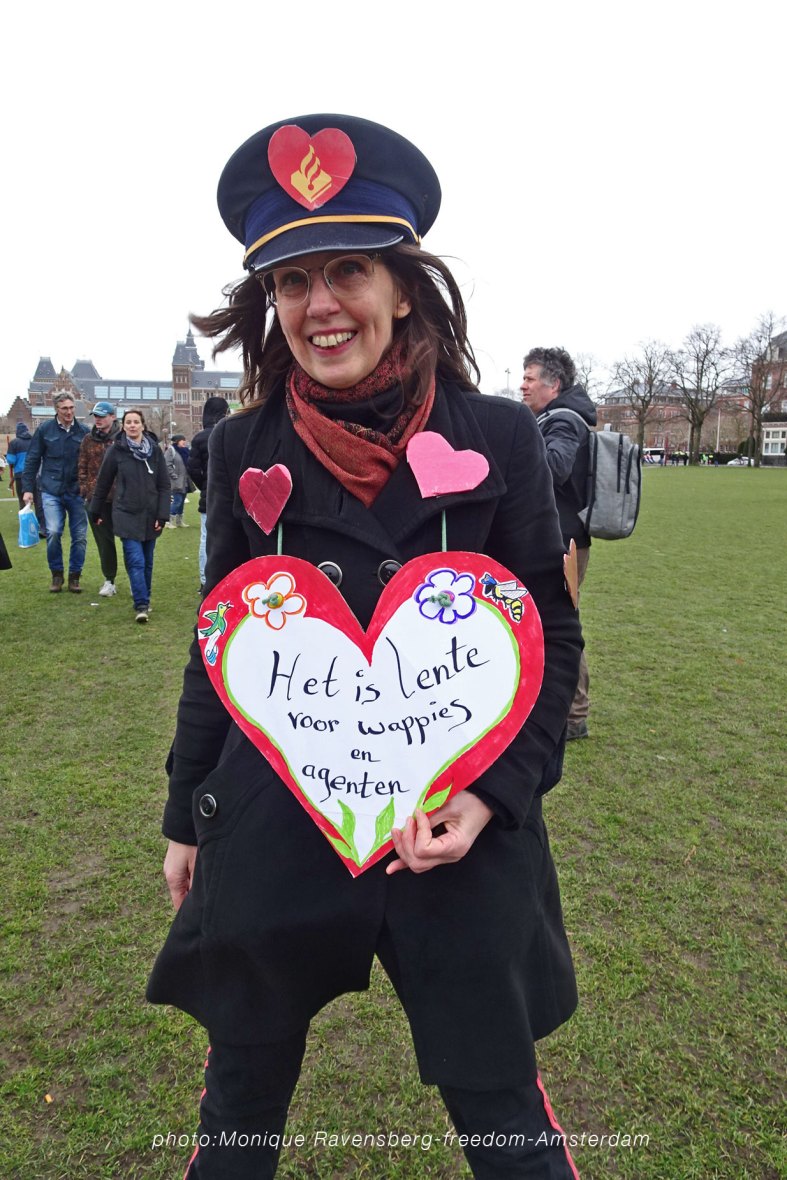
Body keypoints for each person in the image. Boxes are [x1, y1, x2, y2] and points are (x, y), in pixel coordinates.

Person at [147, 114, 583, 1180]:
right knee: (239, 1107)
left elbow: (550, 631)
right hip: (280, 821)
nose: (320, 304)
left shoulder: (498, 435)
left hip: (451, 833)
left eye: (347, 270)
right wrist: (186, 813)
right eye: (292, 281)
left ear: (401, 287)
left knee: (504, 1114)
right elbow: (218, 641)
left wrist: (493, 794)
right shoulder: (243, 447)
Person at [521, 348, 596, 741]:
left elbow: (556, 467)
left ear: (554, 385)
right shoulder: (554, 417)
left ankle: (574, 716)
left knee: (561, 623)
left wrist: (517, 453)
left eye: (530, 378)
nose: (523, 385)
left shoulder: (564, 420)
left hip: (565, 541)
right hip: (559, 536)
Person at [90, 409, 170, 623]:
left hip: (151, 514)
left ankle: (145, 596)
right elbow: (103, 482)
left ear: (143, 425)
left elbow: (164, 485)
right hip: (126, 513)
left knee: (147, 561)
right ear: (123, 426)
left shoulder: (154, 451)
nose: (132, 425)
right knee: (135, 560)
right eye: (128, 422)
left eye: (136, 422)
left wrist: (162, 514)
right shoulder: (116, 451)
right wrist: (95, 510)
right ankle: (141, 604)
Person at [22, 392, 89, 593]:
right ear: (56, 410)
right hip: (51, 489)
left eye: (71, 408)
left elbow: (91, 462)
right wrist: (27, 489)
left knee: (80, 536)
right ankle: (57, 574)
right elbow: (33, 459)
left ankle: (75, 576)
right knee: (52, 531)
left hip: (76, 490)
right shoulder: (45, 430)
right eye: (64, 408)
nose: (69, 412)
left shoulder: (84, 431)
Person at [186, 396, 230, 589]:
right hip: (228, 496)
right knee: (229, 537)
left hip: (209, 496)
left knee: (206, 539)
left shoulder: (200, 438)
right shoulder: (230, 433)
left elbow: (193, 469)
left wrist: (205, 485)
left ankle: (205, 581)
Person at [78, 401, 121, 597]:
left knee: (131, 541)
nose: (98, 419)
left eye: (102, 416)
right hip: (97, 501)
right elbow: (82, 467)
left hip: (122, 499)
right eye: (95, 416)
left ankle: (137, 580)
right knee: (104, 543)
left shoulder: (122, 439)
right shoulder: (88, 440)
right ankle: (109, 580)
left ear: (113, 416)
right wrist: (86, 492)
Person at [164, 435, 190, 527]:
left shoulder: (185, 451)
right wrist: (174, 475)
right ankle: (168, 521)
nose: (184, 442)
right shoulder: (171, 450)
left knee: (182, 501)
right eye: (182, 440)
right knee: (177, 500)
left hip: (185, 480)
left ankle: (179, 521)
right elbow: (167, 464)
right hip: (175, 481)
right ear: (177, 441)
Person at [6, 423, 34, 509]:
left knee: (22, 500)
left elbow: (11, 460)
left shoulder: (14, 443)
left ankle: (25, 516)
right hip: (35, 473)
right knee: (38, 501)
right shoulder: (34, 440)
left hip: (20, 474)